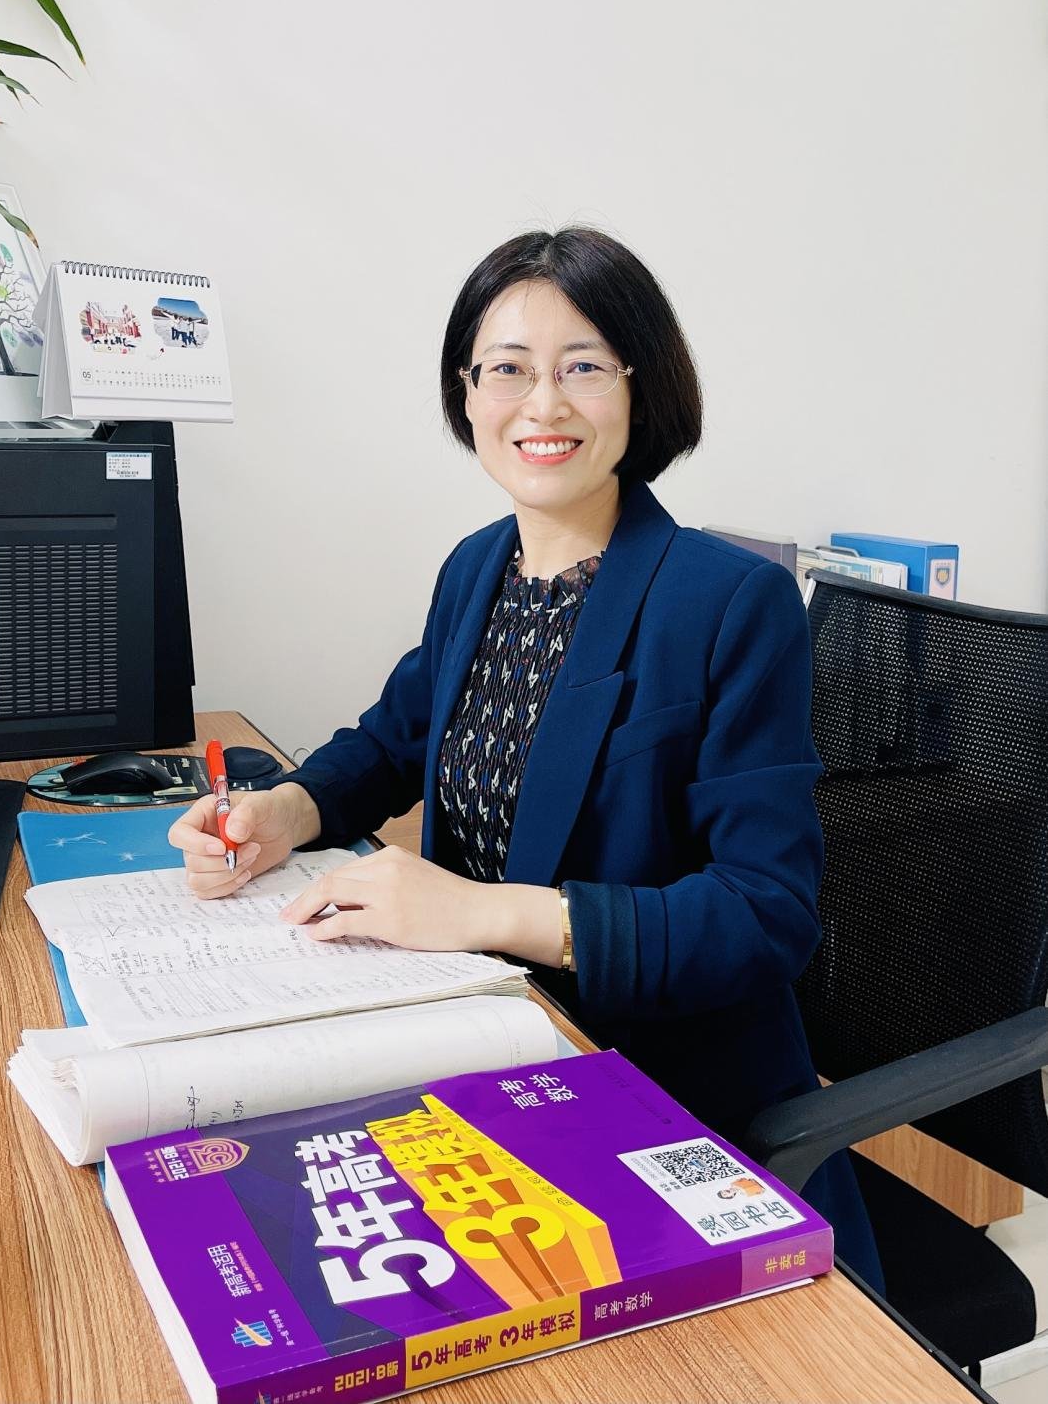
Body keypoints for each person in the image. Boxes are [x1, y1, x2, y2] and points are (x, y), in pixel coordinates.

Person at [168, 226, 882, 1288]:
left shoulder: (732, 602)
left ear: (641, 387)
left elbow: (764, 913)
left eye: (582, 366)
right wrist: (290, 808)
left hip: (666, 1104)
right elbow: (397, 737)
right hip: (484, 1059)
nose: (542, 404)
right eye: (506, 368)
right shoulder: (477, 568)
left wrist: (484, 911)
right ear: (467, 395)